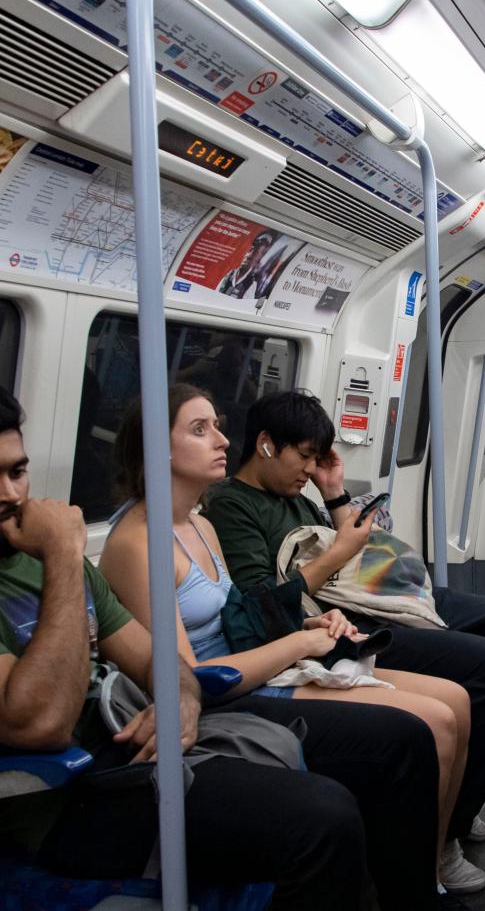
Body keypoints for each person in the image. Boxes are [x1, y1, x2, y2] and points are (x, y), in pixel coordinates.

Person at [0, 387, 442, 911]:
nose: (11, 494)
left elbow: (163, 663)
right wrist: (61, 556)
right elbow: (41, 723)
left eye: (17, 472)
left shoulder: (49, 561)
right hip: (65, 798)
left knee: (400, 743)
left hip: (136, 745)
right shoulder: (80, 554)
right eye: (200, 429)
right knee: (325, 818)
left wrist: (183, 700)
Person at [99, 384, 471, 876]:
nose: (222, 442)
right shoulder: (138, 545)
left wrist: (308, 620)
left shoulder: (200, 526)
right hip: (223, 695)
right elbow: (190, 680)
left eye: (217, 427)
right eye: (199, 429)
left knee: (455, 701)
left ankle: (428, 869)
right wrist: (300, 641)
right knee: (430, 726)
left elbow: (239, 617)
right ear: (156, 447)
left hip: (259, 663)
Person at [201, 390, 485, 893]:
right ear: (267, 445)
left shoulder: (299, 495)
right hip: (332, 620)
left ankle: (456, 808)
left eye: (318, 459)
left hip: (366, 592)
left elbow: (351, 549)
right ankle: (445, 835)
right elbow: (269, 606)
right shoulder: (232, 506)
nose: (310, 469)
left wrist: (333, 491)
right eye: (305, 456)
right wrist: (337, 553)